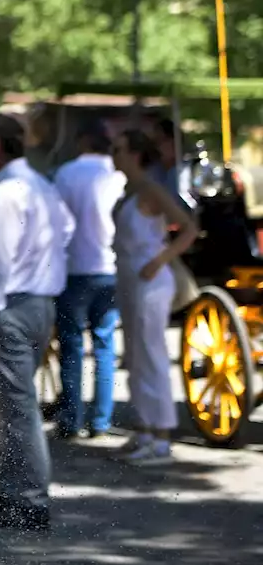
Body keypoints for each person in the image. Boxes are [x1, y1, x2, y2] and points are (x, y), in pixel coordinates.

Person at [0, 112, 74, 530]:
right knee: (17, 405)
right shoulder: (39, 185)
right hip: (39, 301)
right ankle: (15, 491)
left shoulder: (5, 194)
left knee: (19, 407)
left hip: (13, 304)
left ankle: (28, 499)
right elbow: (67, 229)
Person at [111, 129, 198, 465]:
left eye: (119, 148)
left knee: (151, 354)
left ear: (134, 153)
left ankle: (162, 438)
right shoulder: (130, 191)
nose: (113, 155)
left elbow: (188, 227)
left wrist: (160, 259)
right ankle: (145, 429)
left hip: (151, 278)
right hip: (130, 277)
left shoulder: (151, 189)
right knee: (134, 354)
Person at [52, 118, 127, 439]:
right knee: (105, 344)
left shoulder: (67, 173)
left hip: (75, 268)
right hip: (110, 269)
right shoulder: (119, 175)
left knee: (71, 346)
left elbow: (56, 223)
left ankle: (71, 418)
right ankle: (100, 420)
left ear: (82, 140)